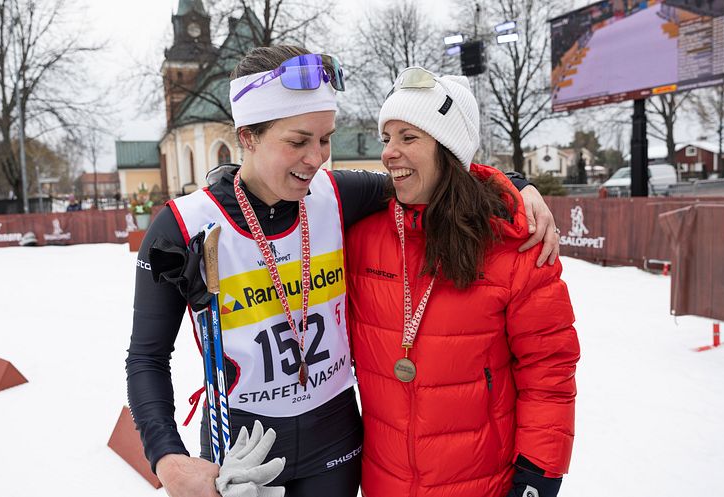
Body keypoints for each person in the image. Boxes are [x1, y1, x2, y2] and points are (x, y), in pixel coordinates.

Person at [126, 47, 559, 497]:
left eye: (325, 139)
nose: (316, 159)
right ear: (248, 137)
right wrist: (169, 460)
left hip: (334, 445)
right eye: (298, 141)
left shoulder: (336, 195)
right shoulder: (183, 225)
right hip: (240, 452)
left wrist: (516, 185)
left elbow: (441, 172)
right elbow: (146, 358)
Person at [345, 67, 580, 497]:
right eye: (387, 138)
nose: (388, 153)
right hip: (385, 483)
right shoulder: (361, 237)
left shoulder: (515, 242)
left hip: (483, 483)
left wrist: (538, 476)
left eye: (408, 138)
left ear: (448, 149)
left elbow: (549, 370)